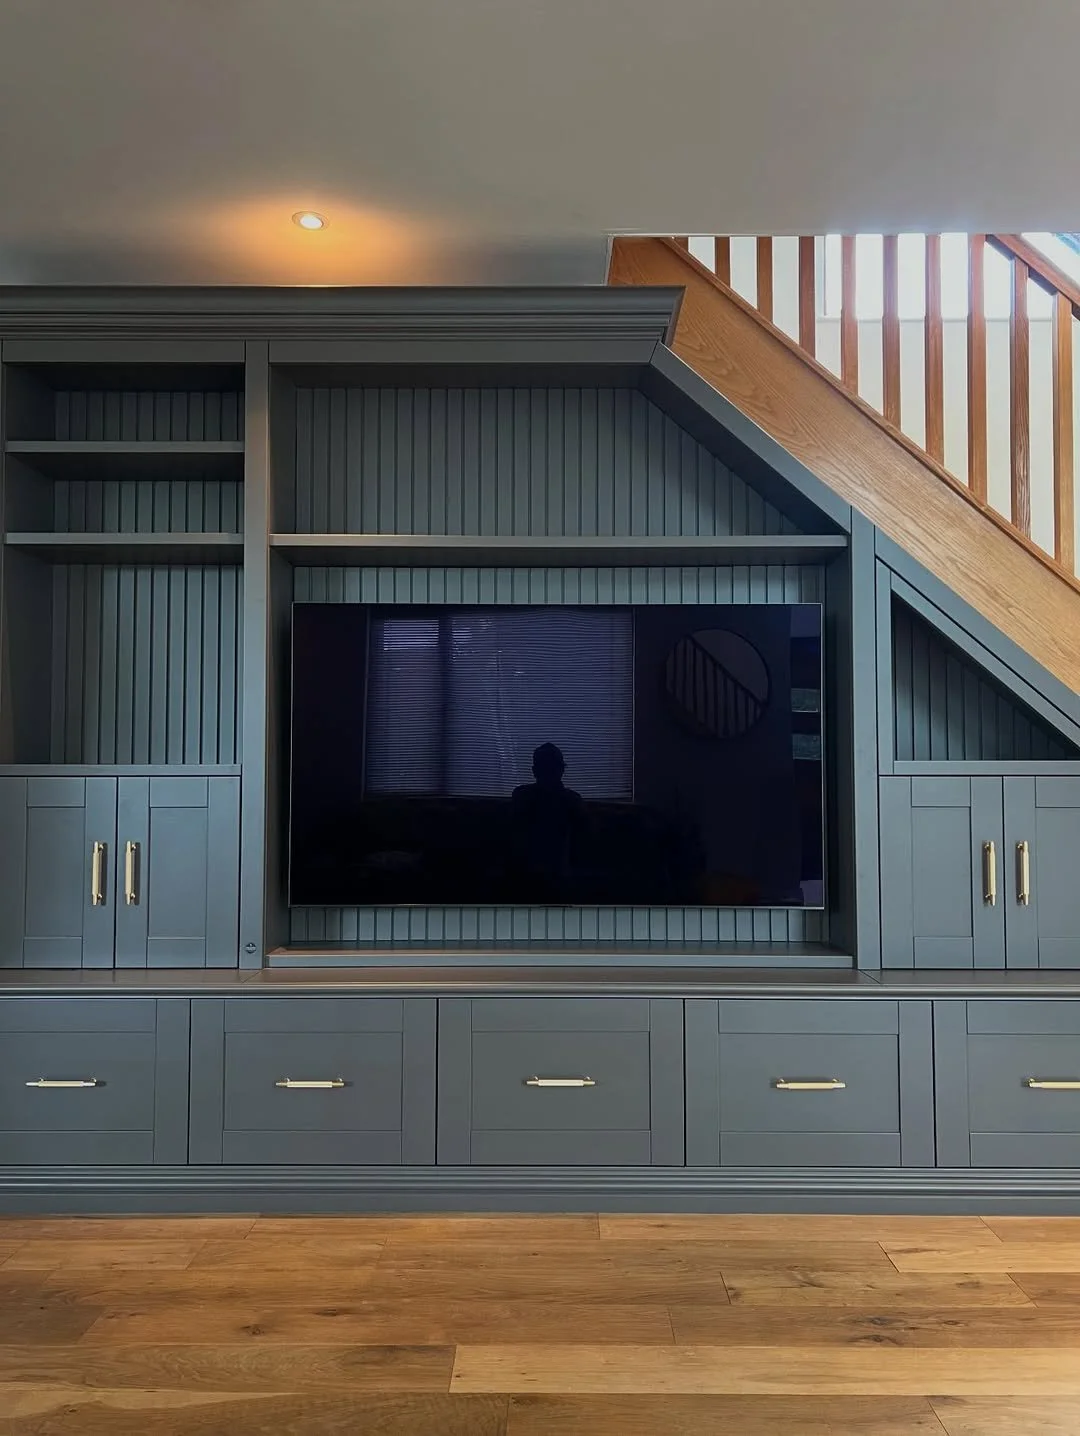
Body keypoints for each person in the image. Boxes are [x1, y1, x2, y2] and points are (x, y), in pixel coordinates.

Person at [510, 743, 584, 899]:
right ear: (562, 769)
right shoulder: (571, 800)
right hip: (547, 873)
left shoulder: (522, 795)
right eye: (547, 768)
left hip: (541, 873)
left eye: (551, 768)